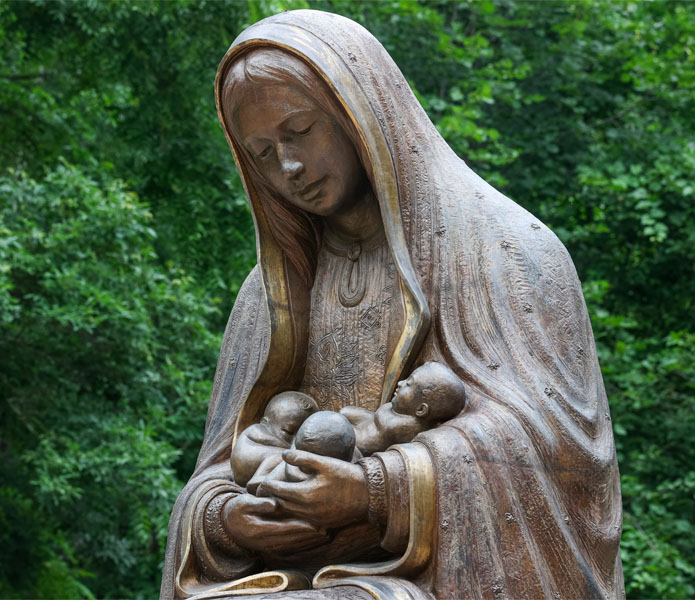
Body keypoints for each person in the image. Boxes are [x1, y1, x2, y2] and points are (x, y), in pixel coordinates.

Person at [161, 10, 624, 600]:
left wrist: (374, 490)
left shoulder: (504, 249)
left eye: (300, 131)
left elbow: (559, 455)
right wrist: (223, 519)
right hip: (285, 575)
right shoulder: (271, 295)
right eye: (263, 153)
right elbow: (216, 470)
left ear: (361, 117)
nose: (290, 168)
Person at [341, 362, 466, 456]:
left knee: (337, 431)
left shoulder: (405, 428)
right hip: (368, 424)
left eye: (408, 384)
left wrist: (382, 411)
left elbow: (383, 420)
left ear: (421, 410)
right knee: (345, 412)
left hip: (359, 442)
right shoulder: (402, 413)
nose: (400, 383)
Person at [230, 391, 317, 492]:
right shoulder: (256, 429)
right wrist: (293, 448)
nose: (295, 440)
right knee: (282, 457)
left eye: (300, 435)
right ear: (265, 423)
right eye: (288, 432)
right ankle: (258, 479)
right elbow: (274, 443)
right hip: (247, 461)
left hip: (260, 460)